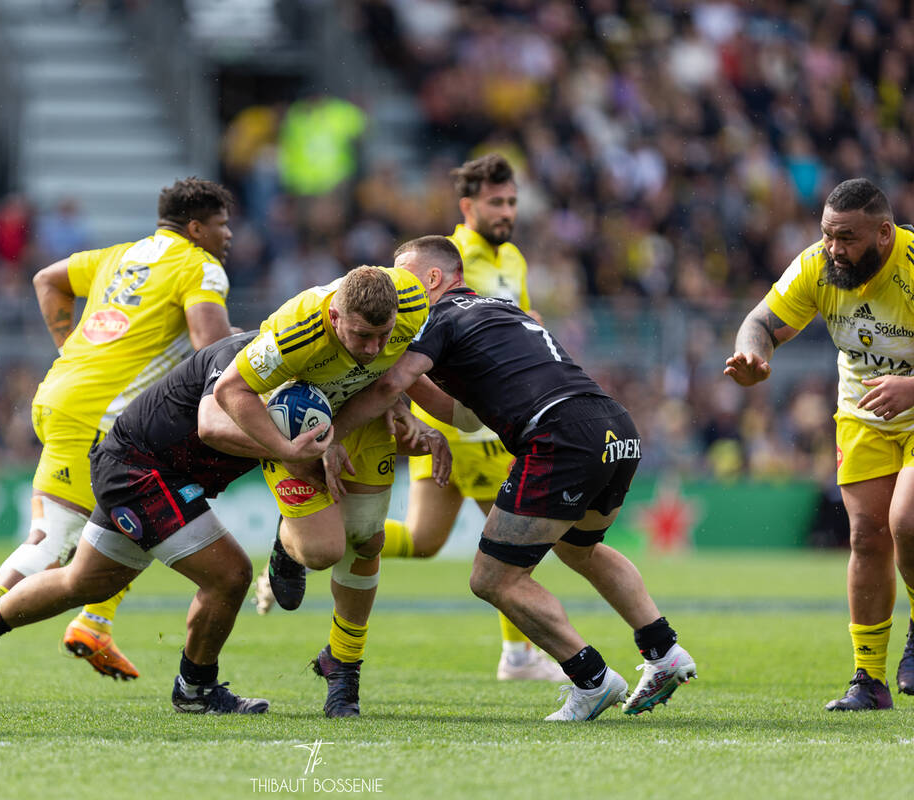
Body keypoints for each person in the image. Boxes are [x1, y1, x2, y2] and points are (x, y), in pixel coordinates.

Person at [329, 236, 696, 721]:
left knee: (492, 578)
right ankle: (663, 649)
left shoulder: (440, 317)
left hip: (560, 437)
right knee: (578, 549)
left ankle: (591, 679)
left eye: (403, 273)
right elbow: (462, 416)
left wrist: (333, 434)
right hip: (613, 427)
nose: (395, 286)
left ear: (433, 279)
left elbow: (389, 384)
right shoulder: (499, 309)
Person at [0, 178, 236, 702]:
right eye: (223, 223)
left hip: (65, 393)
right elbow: (214, 349)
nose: (229, 234)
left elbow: (48, 279)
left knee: (123, 521)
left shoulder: (121, 255)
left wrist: (70, 347)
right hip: (104, 414)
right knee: (61, 537)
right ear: (197, 226)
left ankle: (92, 623)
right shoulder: (200, 267)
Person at [0, 331, 332, 713]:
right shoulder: (242, 358)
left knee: (83, 582)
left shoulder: (297, 373)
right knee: (229, 575)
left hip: (138, 465)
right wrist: (285, 452)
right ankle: (196, 689)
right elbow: (212, 427)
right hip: (142, 471)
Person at [213, 265, 448, 717]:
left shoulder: (414, 304)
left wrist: (398, 409)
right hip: (293, 425)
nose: (373, 347)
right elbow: (231, 390)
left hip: (360, 416)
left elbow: (392, 369)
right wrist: (291, 450)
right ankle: (288, 545)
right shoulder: (294, 333)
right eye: (361, 336)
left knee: (366, 539)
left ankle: (342, 667)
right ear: (336, 315)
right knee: (322, 551)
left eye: (383, 335)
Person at [725, 178, 914, 711]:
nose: (834, 249)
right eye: (828, 235)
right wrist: (751, 357)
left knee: (908, 521)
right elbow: (760, 321)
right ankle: (869, 681)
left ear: (884, 232)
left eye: (847, 238)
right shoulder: (817, 266)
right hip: (863, 416)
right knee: (867, 537)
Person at [381, 153, 563, 682]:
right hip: (464, 419)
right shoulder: (447, 257)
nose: (507, 211)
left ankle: (310, 541)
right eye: (496, 202)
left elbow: (525, 317)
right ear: (468, 205)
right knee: (515, 538)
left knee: (422, 540)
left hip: (479, 418)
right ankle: (520, 655)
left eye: (512, 202)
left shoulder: (515, 260)